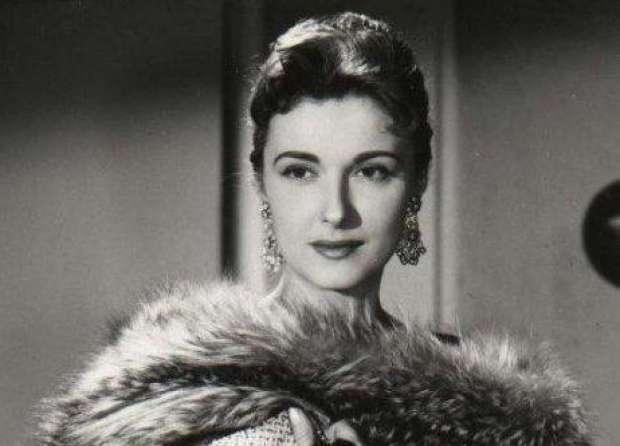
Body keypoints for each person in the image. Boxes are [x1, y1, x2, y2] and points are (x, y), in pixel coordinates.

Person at [35, 12, 592, 445]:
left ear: (416, 182)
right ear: (262, 184)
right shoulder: (168, 386)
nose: (335, 210)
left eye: (372, 171)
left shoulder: (495, 414)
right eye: (301, 172)